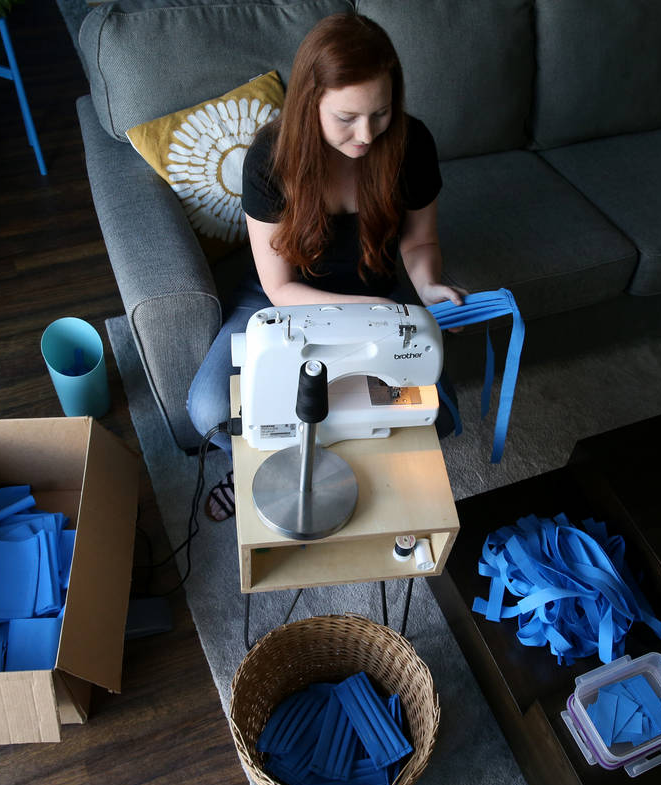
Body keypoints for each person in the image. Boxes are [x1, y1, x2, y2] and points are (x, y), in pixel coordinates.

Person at [187, 13, 464, 517]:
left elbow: (420, 242)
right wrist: (377, 313)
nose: (366, 135)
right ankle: (266, 462)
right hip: (286, 295)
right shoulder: (270, 161)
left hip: (378, 288)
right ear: (309, 103)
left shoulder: (410, 142)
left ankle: (344, 465)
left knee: (435, 413)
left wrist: (427, 287)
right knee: (207, 408)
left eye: (379, 114)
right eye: (346, 118)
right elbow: (278, 287)